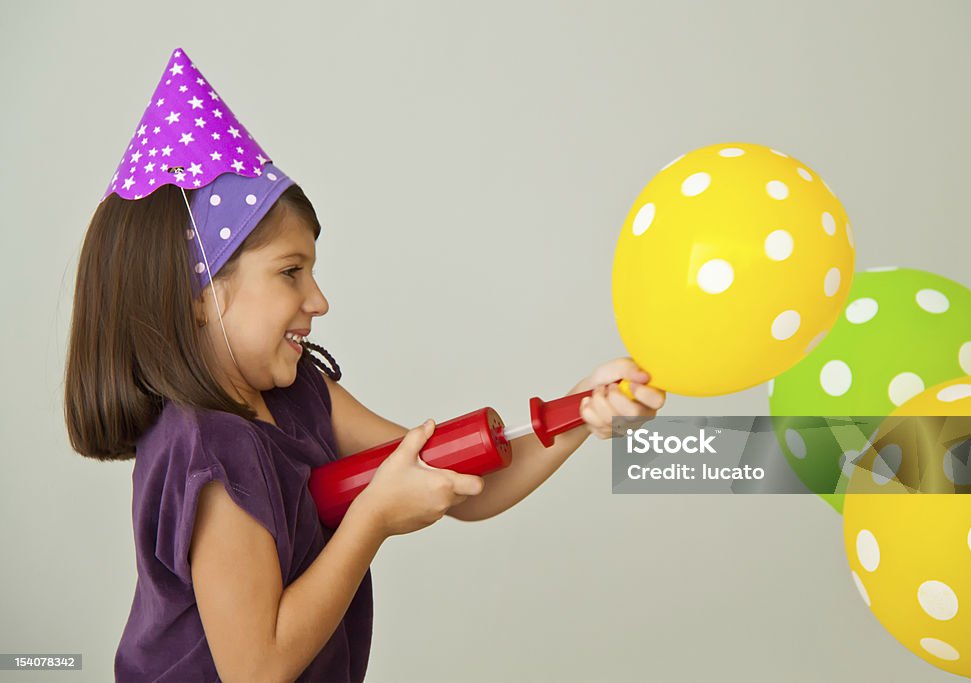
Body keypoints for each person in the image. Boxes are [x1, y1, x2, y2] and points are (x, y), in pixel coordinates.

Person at [64, 47, 665, 683]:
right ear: (197, 298)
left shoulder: (301, 395)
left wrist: (577, 413)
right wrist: (373, 518)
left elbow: (459, 485)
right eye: (291, 273)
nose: (318, 302)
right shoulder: (206, 450)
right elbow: (257, 668)